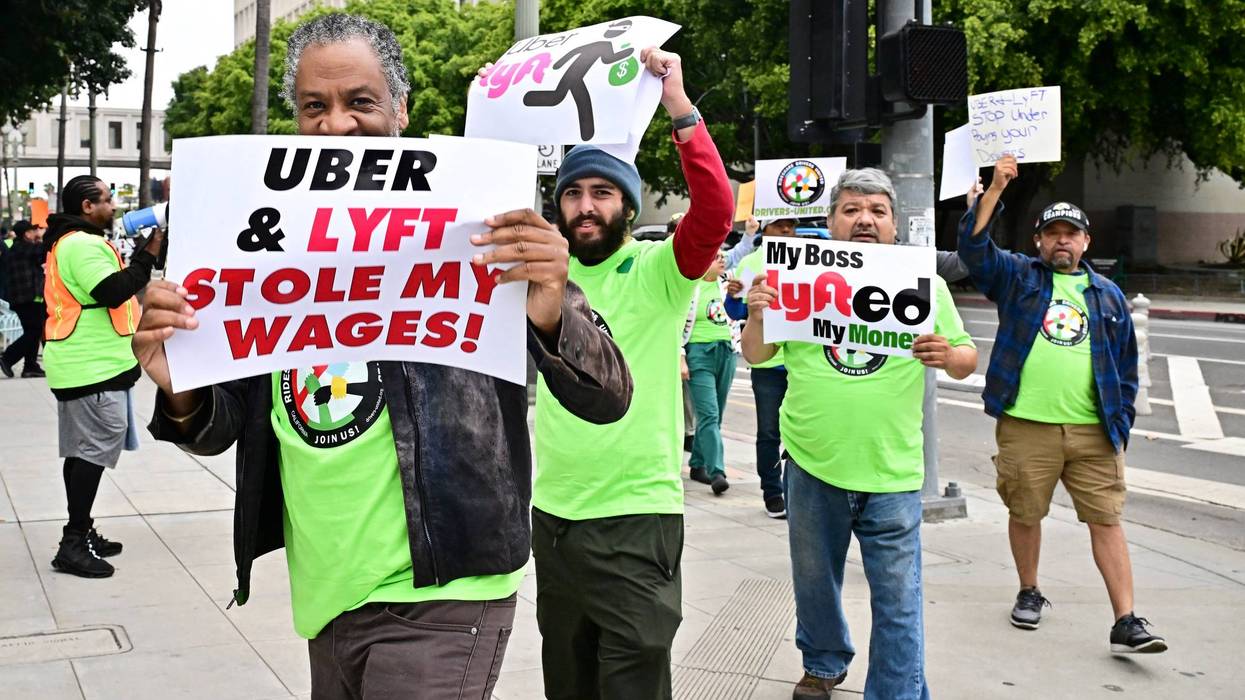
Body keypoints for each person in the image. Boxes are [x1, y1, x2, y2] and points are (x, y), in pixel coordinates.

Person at [139, 14, 632, 700]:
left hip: (443, 585)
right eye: (315, 106)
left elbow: (606, 396)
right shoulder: (249, 232)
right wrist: (179, 384)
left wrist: (549, 303)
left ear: (400, 109)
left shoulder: (477, 217)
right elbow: (225, 427)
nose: (336, 125)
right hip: (326, 595)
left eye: (360, 102)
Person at [529, 48, 734, 698]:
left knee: (632, 687)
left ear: (627, 204)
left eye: (602, 193)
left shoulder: (658, 270)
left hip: (636, 522)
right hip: (553, 518)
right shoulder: (538, 276)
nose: (585, 206)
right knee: (569, 684)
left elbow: (714, 213)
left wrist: (678, 106)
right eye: (572, 193)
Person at [743, 168, 977, 700]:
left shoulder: (926, 285)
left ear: (895, 225)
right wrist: (757, 317)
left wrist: (950, 356)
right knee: (814, 584)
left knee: (899, 598)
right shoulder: (793, 277)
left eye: (877, 211)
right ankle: (823, 662)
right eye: (850, 210)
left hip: (891, 473)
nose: (864, 220)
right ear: (830, 222)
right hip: (810, 463)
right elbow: (757, 356)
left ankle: (895, 691)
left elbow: (966, 357)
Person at [960, 156, 1166, 654]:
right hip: (1027, 425)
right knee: (1026, 512)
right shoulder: (1018, 278)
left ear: (1086, 242)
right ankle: (1029, 590)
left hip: (1094, 431)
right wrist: (995, 191)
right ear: (1038, 240)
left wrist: (1120, 424)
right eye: (1052, 233)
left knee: (1107, 519)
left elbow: (1127, 367)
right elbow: (974, 249)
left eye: (1071, 234)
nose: (1062, 241)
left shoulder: (1109, 296)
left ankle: (1127, 620)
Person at [43, 175, 163, 578]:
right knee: (92, 451)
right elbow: (113, 290)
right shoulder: (81, 243)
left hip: (88, 363)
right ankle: (73, 543)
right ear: (87, 206)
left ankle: (82, 530)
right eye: (108, 200)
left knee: (82, 452)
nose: (114, 207)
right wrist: (149, 252)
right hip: (90, 366)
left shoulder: (73, 241)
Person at [724, 215, 797, 518]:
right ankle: (772, 492)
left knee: (801, 432)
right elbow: (737, 309)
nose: (786, 230)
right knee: (769, 431)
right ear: (766, 228)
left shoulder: (811, 259)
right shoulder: (752, 262)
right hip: (767, 363)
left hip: (801, 361)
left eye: (791, 225)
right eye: (780, 224)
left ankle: (797, 490)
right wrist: (732, 297)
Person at [684, 250, 736, 494]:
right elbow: (675, 322)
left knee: (716, 415)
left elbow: (743, 255)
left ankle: (696, 464)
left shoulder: (727, 285)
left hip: (726, 352)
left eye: (723, 256)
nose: (722, 260)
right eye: (716, 257)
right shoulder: (689, 287)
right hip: (698, 354)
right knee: (709, 414)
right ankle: (717, 471)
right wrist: (680, 355)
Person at [1, 220, 47, 378]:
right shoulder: (23, 248)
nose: (36, 233)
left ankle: (30, 366)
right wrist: (44, 237)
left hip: (24, 297)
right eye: (34, 231)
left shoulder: (18, 248)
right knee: (34, 330)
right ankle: (8, 358)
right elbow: (43, 252)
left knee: (32, 330)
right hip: (25, 297)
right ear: (27, 234)